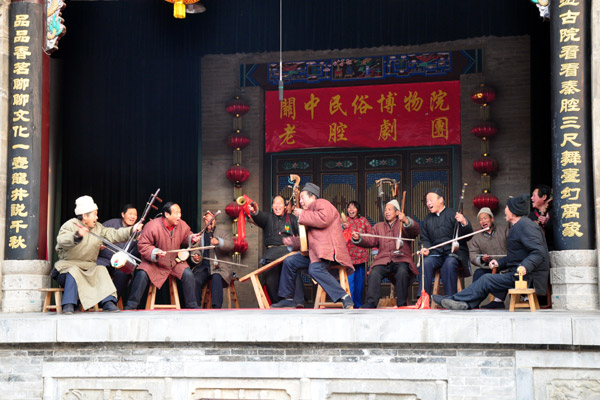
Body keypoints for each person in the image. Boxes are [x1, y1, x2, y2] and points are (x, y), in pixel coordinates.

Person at [433, 194, 549, 310]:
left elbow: (539, 252)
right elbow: (515, 256)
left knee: (487, 279)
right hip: (517, 273)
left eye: (507, 207)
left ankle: (454, 300)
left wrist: (525, 266)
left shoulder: (526, 225)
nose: (505, 210)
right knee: (484, 277)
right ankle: (464, 303)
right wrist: (500, 263)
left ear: (513, 211)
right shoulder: (517, 226)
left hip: (527, 277)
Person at [271, 182, 355, 309]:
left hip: (328, 251)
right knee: (290, 262)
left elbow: (324, 219)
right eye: (300, 199)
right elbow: (310, 240)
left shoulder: (322, 203)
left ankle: (343, 296)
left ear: (313, 197)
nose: (301, 201)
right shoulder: (310, 213)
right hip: (315, 252)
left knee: (314, 269)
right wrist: (292, 242)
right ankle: (287, 298)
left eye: (303, 198)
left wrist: (302, 215)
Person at [53, 195, 142, 314]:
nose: (97, 217)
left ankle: (108, 302)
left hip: (89, 267)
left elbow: (114, 234)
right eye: (94, 214)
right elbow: (61, 240)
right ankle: (68, 304)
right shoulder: (70, 225)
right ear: (85, 216)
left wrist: (132, 230)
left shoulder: (98, 228)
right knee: (74, 270)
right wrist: (77, 235)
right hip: (67, 267)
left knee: (101, 269)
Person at [124, 202, 200, 310]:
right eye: (176, 213)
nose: (179, 216)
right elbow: (143, 245)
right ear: (167, 214)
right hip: (154, 263)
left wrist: (192, 238)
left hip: (174, 261)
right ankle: (131, 305)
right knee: (142, 274)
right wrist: (155, 251)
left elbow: (187, 236)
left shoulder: (182, 224)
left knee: (188, 274)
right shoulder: (152, 226)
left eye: (180, 213)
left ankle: (192, 306)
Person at [351, 199, 419, 308]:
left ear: (397, 212)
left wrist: (406, 220)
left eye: (389, 210)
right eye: (385, 210)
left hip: (400, 259)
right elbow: (371, 240)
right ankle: (371, 303)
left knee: (402, 271)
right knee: (374, 273)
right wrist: (359, 237)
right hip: (383, 260)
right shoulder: (378, 226)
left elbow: (415, 231)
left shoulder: (403, 224)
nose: (386, 212)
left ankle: (401, 304)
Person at [247, 196, 305, 307]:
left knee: (294, 273)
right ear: (272, 206)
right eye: (275, 204)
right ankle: (278, 304)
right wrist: (254, 211)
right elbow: (258, 216)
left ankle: (298, 302)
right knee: (270, 280)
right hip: (271, 253)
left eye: (280, 204)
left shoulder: (292, 218)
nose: (277, 206)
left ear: (285, 206)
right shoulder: (267, 217)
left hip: (288, 252)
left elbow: (301, 232)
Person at [419, 188, 473, 296]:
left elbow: (467, 236)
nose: (428, 203)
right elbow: (425, 239)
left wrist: (464, 222)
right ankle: (423, 297)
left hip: (453, 253)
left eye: (431, 200)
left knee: (449, 263)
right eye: (427, 201)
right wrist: (425, 248)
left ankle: (450, 297)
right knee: (426, 263)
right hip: (436, 253)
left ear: (441, 200)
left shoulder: (453, 214)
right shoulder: (427, 220)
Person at [189, 210, 234, 309]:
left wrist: (218, 242)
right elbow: (194, 251)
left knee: (217, 277)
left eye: (212, 220)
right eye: (207, 220)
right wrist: (196, 256)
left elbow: (231, 245)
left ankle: (216, 309)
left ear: (215, 221)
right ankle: (195, 308)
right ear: (204, 222)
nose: (209, 222)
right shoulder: (200, 236)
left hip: (219, 267)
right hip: (204, 267)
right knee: (195, 279)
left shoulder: (223, 233)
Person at [96, 204, 140, 303]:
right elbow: (97, 238)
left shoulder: (137, 231)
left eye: (135, 215)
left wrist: (139, 242)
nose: (133, 217)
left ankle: (112, 301)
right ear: (123, 214)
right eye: (130, 214)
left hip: (122, 262)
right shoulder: (110, 224)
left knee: (124, 272)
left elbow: (136, 254)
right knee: (97, 268)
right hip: (105, 259)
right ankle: (97, 300)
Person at [467, 207, 509, 309]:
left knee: (504, 274)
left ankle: (498, 301)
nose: (483, 221)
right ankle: (475, 302)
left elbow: (514, 246)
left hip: (505, 265)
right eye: (480, 220)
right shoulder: (476, 237)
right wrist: (481, 259)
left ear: (492, 219)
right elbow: (473, 254)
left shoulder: (504, 230)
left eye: (485, 218)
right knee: (478, 273)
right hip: (489, 267)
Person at [342, 201, 371, 308]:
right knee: (350, 283)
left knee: (359, 284)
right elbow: (336, 233)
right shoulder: (344, 222)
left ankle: (358, 305)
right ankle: (350, 304)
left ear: (358, 210)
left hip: (361, 257)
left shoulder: (363, 221)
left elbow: (370, 235)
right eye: (349, 208)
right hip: (348, 258)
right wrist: (342, 227)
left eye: (353, 207)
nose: (351, 210)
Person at [529, 184, 554, 251]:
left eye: (534, 195)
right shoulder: (531, 216)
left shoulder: (554, 213)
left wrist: (547, 223)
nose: (532, 198)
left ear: (543, 197)